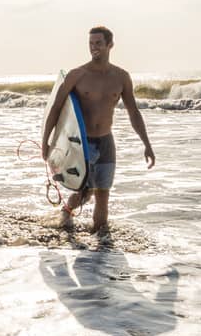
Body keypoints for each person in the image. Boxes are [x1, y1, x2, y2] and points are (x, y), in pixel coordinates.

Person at [42, 26, 155, 234]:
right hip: (80, 144)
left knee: (103, 194)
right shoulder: (77, 75)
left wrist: (146, 144)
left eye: (98, 43)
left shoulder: (121, 77)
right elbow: (56, 108)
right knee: (86, 192)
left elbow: (133, 112)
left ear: (110, 45)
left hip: (105, 142)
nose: (93, 48)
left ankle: (101, 245)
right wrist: (46, 144)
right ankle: (67, 212)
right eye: (91, 43)